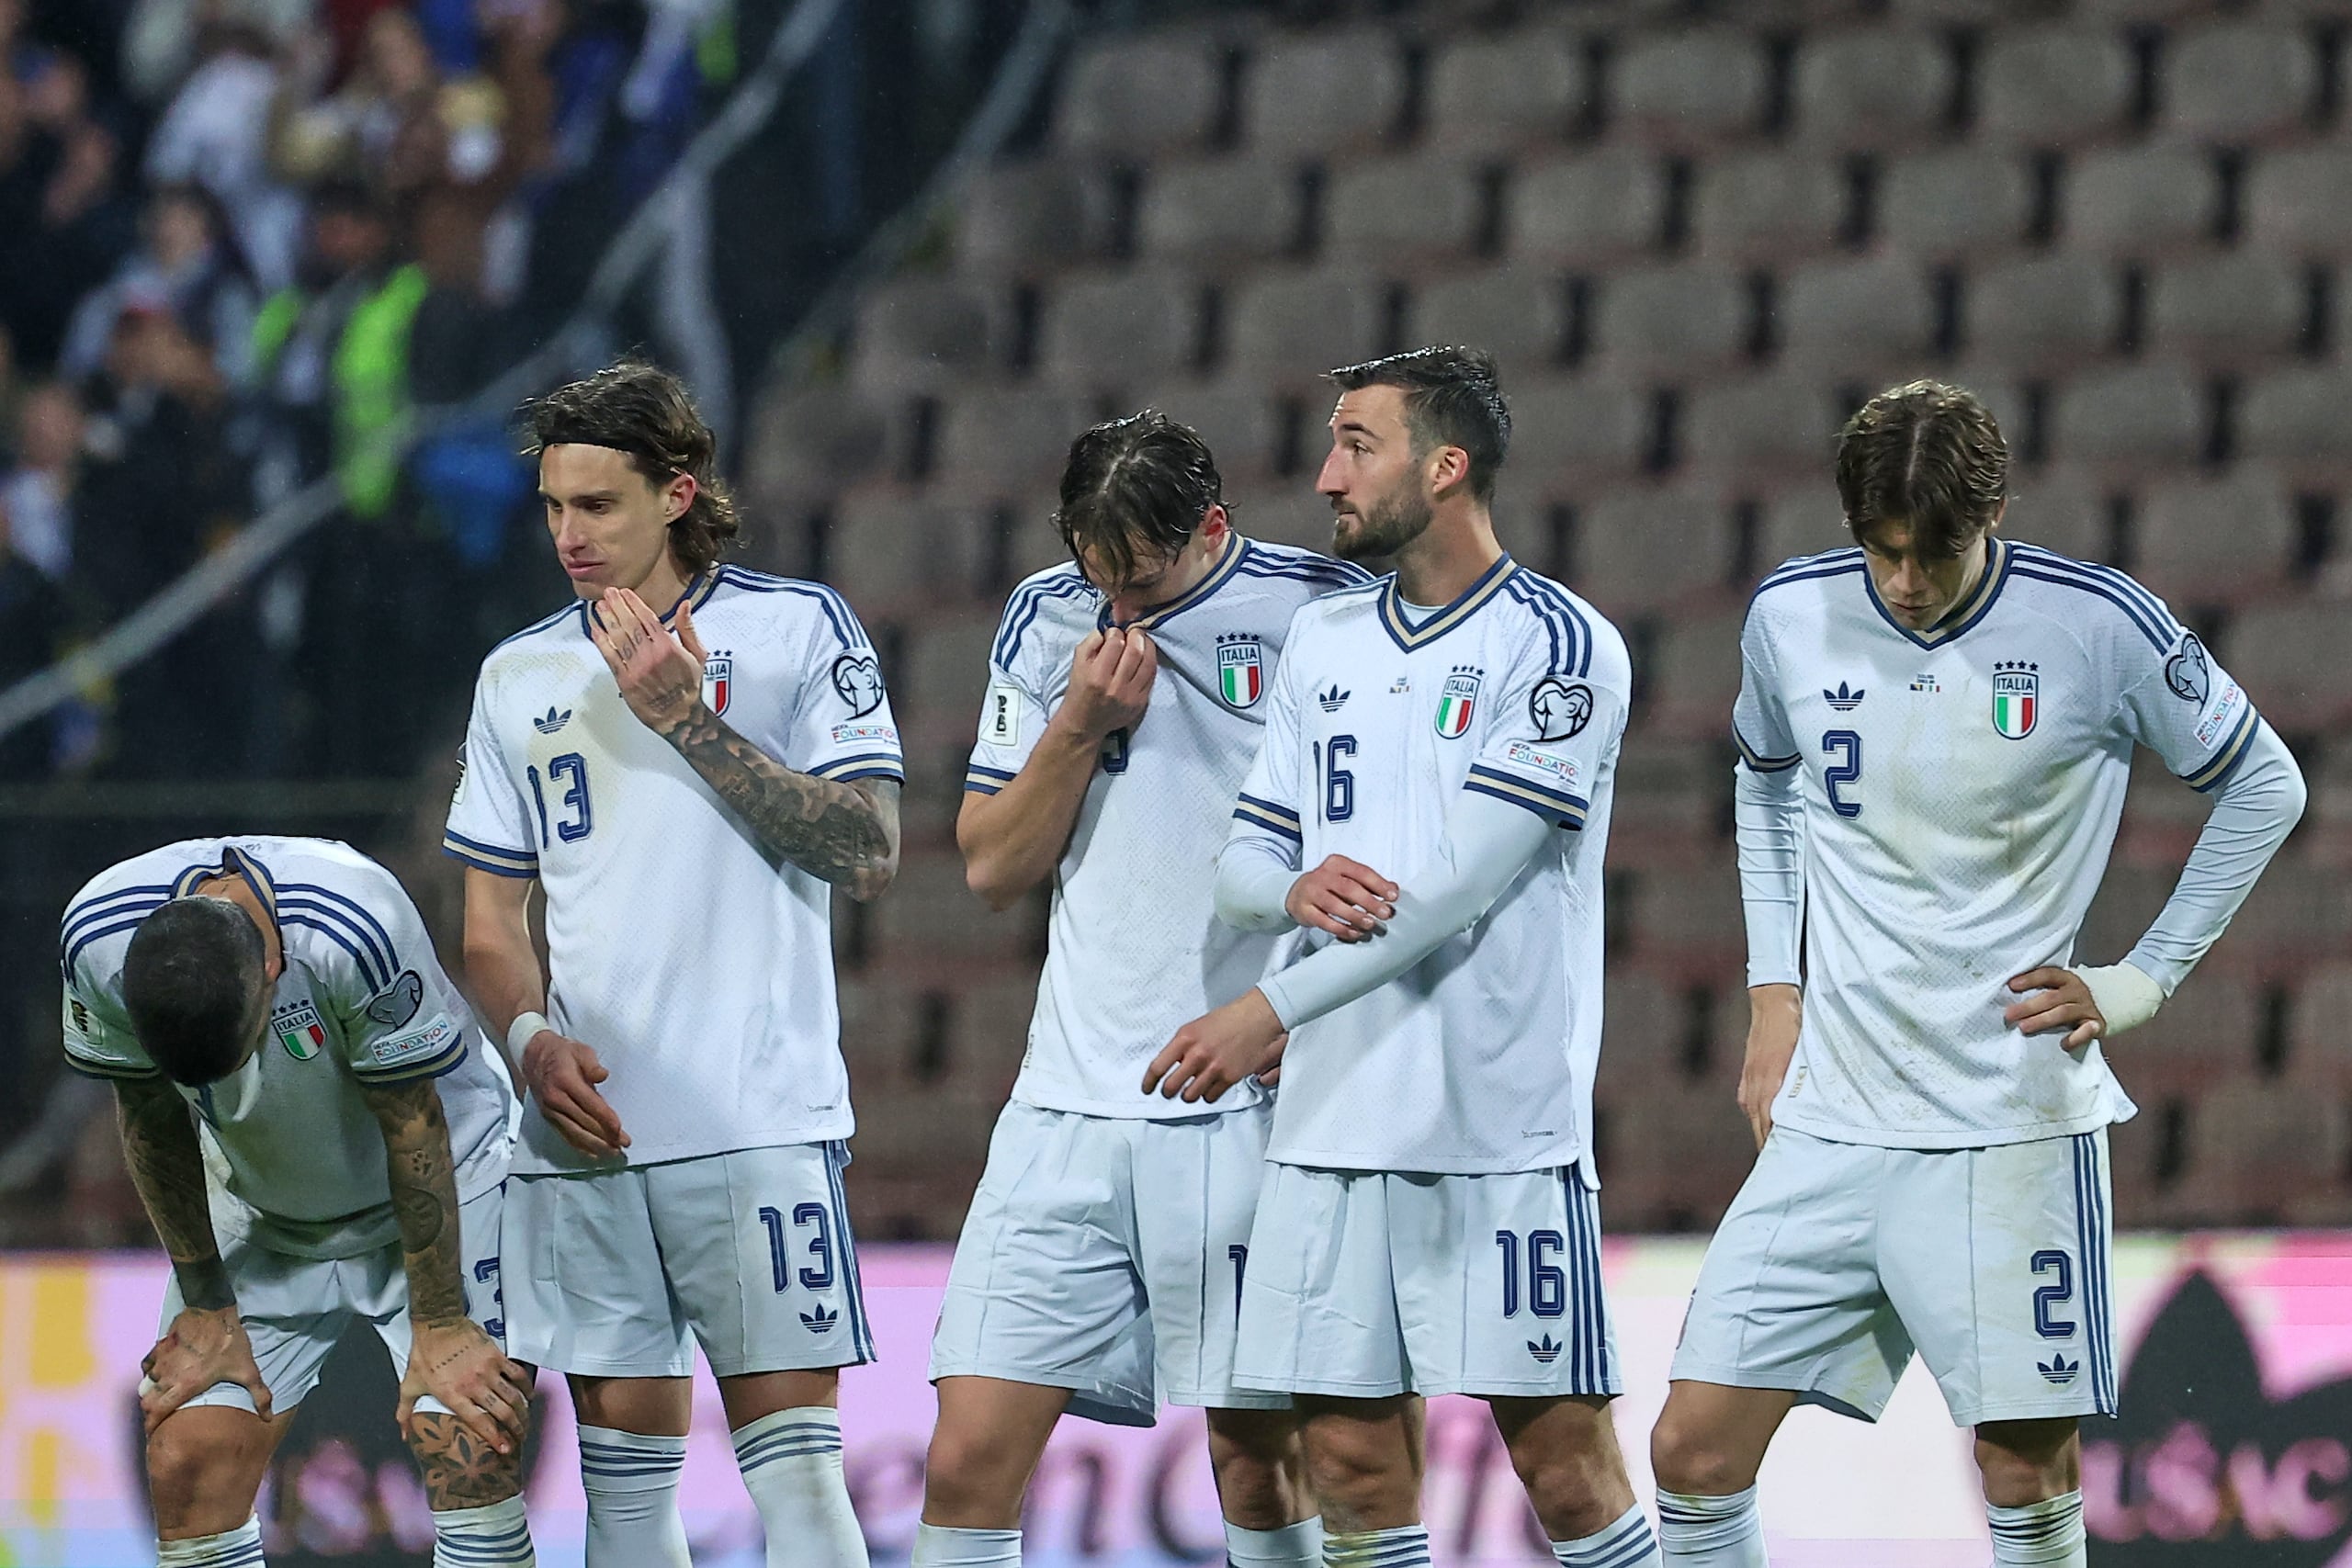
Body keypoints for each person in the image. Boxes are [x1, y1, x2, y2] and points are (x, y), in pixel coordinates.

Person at [1645, 381, 2309, 1568]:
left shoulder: (2097, 625)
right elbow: (1764, 779)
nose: (1904, 580)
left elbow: (2267, 784)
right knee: (1692, 1449)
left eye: (1934, 550)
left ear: (1994, 511)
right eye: (1881, 549)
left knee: (2022, 1470)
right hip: (1833, 1118)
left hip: (2009, 1125)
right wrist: (1772, 993)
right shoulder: (1789, 614)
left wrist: (2144, 977)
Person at [1150, 346, 1661, 1568]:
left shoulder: (1561, 645)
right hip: (1329, 1128)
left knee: (1567, 1473)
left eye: (1356, 445)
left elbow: (1456, 891)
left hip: (1497, 1129)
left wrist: (1265, 1007)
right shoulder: (1325, 640)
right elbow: (1239, 865)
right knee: (1352, 1468)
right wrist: (1289, 886)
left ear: (1446, 466)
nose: (1327, 476)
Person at [444, 359, 901, 1568]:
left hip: (756, 1120)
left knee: (798, 1481)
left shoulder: (796, 628)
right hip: (587, 1133)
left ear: (678, 493)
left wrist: (687, 718)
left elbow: (868, 851)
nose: (569, 534)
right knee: (624, 1495)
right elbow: (489, 920)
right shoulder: (518, 674)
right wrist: (530, 1043)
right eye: (554, 506)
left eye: (598, 505)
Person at [918, 412, 1369, 1568]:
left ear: (1212, 528)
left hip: (1245, 1105)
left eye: (1143, 580)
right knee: (965, 1461)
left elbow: (1400, 844)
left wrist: (1318, 1010)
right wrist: (1080, 723)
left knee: (1255, 1463)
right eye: (1096, 575)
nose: (1117, 608)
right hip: (1063, 1106)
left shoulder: (1326, 613)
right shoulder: (1042, 615)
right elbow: (992, 866)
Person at [59, 836, 534, 1568]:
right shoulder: (97, 939)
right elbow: (149, 1113)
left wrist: (441, 1322)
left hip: (448, 1178)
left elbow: (413, 1122)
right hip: (261, 1209)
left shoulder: (354, 922)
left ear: (272, 970)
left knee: (470, 1445)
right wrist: (206, 1304)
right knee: (187, 1463)